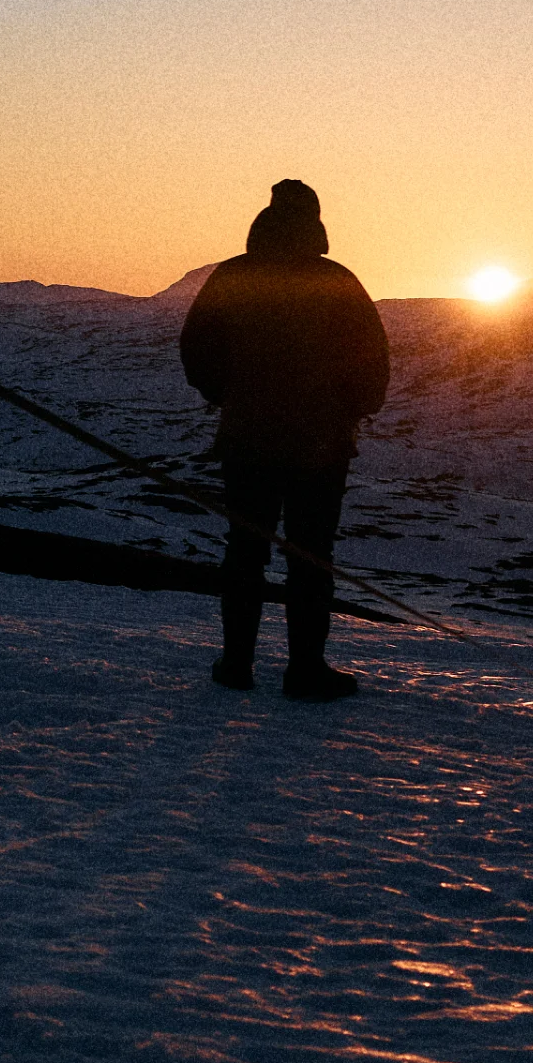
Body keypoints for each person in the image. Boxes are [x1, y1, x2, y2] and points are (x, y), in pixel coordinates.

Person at [177, 179, 388, 701]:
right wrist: (351, 410)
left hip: (247, 439)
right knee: (311, 555)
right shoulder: (337, 281)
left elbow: (196, 348)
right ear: (315, 222)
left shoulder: (233, 276)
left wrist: (227, 396)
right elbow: (373, 362)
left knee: (246, 550)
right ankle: (305, 670)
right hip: (322, 445)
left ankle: (236, 664)